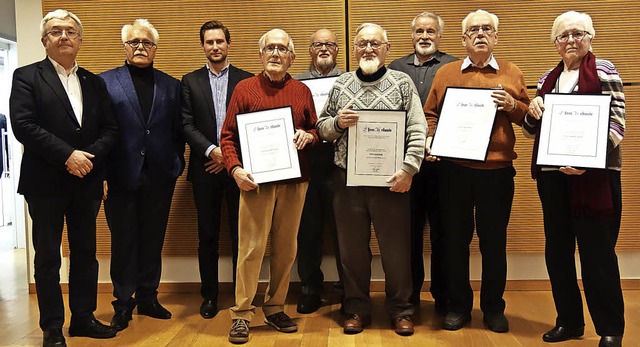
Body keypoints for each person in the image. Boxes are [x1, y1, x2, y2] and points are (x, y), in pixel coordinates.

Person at [9, 9, 118, 347]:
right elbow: (24, 125)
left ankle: (82, 318)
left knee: (86, 253)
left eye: (71, 31)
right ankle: (52, 328)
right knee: (47, 258)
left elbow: (111, 129)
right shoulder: (26, 76)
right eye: (56, 31)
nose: (64, 36)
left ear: (80, 41)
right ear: (45, 40)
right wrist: (68, 156)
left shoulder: (94, 82)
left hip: (86, 182)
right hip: (45, 184)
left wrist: (88, 159)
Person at [423, 9, 529, 333]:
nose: (480, 34)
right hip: (454, 171)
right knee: (455, 241)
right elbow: (430, 114)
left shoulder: (512, 72)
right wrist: (430, 138)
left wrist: (513, 106)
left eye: (487, 29)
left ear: (496, 37)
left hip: (497, 173)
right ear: (464, 38)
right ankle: (458, 307)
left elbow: (528, 118)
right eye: (474, 30)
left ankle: (494, 308)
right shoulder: (446, 73)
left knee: (493, 243)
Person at [317, 22, 426, 336]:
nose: (368, 49)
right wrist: (338, 122)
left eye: (375, 43)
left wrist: (409, 169)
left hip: (392, 183)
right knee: (352, 252)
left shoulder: (403, 83)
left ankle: (401, 310)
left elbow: (417, 130)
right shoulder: (341, 84)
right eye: (362, 43)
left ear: (387, 49)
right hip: (346, 183)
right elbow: (322, 127)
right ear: (354, 50)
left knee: (396, 251)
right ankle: (355, 309)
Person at [523, 11, 625, 347]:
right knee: (558, 252)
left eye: (577, 34)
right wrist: (532, 112)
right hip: (553, 179)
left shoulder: (605, 71)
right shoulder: (546, 79)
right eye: (563, 36)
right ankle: (569, 321)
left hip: (594, 179)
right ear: (555, 43)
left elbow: (617, 125)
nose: (570, 41)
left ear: (590, 37)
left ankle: (610, 328)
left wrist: (587, 160)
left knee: (597, 255)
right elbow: (529, 132)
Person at [220, 28, 318, 344]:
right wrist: (234, 169)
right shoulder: (245, 89)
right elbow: (228, 136)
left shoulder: (302, 90)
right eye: (269, 48)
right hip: (255, 183)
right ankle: (241, 313)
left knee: (287, 248)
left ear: (292, 56)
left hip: (294, 181)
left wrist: (310, 136)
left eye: (282, 48)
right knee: (251, 248)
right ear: (261, 54)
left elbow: (315, 129)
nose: (275, 54)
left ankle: (275, 307)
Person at [100, 19, 184, 331]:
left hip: (160, 176)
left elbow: (178, 132)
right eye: (134, 42)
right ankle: (123, 303)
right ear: (124, 46)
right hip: (119, 177)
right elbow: (98, 132)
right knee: (123, 242)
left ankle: (149, 297)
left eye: (147, 43)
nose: (140, 47)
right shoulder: (105, 83)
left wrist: (176, 165)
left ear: (155, 48)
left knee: (152, 239)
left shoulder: (171, 85)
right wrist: (102, 175)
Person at [182, 20, 253, 320]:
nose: (215, 47)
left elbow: (253, 125)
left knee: (242, 236)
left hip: (241, 171)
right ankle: (209, 295)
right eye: (209, 42)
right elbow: (186, 124)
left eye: (219, 41)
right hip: (206, 170)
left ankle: (241, 294)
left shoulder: (247, 79)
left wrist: (230, 158)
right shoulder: (189, 81)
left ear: (228, 43)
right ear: (203, 46)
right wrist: (214, 152)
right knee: (207, 236)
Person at [388, 11, 458, 312]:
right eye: (419, 31)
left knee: (444, 233)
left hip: (444, 165)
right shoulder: (395, 68)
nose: (425, 36)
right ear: (412, 35)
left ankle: (443, 297)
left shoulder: (455, 66)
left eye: (431, 31)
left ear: (440, 36)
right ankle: (411, 296)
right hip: (406, 166)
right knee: (409, 234)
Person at [293, 28, 344, 314]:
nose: (324, 49)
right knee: (308, 230)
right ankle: (310, 288)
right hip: (307, 165)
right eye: (317, 44)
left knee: (345, 231)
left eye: (329, 44)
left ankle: (349, 288)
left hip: (341, 165)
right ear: (309, 50)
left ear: (337, 50)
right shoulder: (296, 83)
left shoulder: (349, 81)